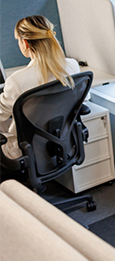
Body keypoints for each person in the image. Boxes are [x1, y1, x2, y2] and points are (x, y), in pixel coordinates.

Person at [0, 15, 80, 159]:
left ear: (25, 43)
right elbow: (83, 100)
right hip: (61, 140)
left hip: (24, 149)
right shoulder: (72, 65)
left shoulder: (17, 81)